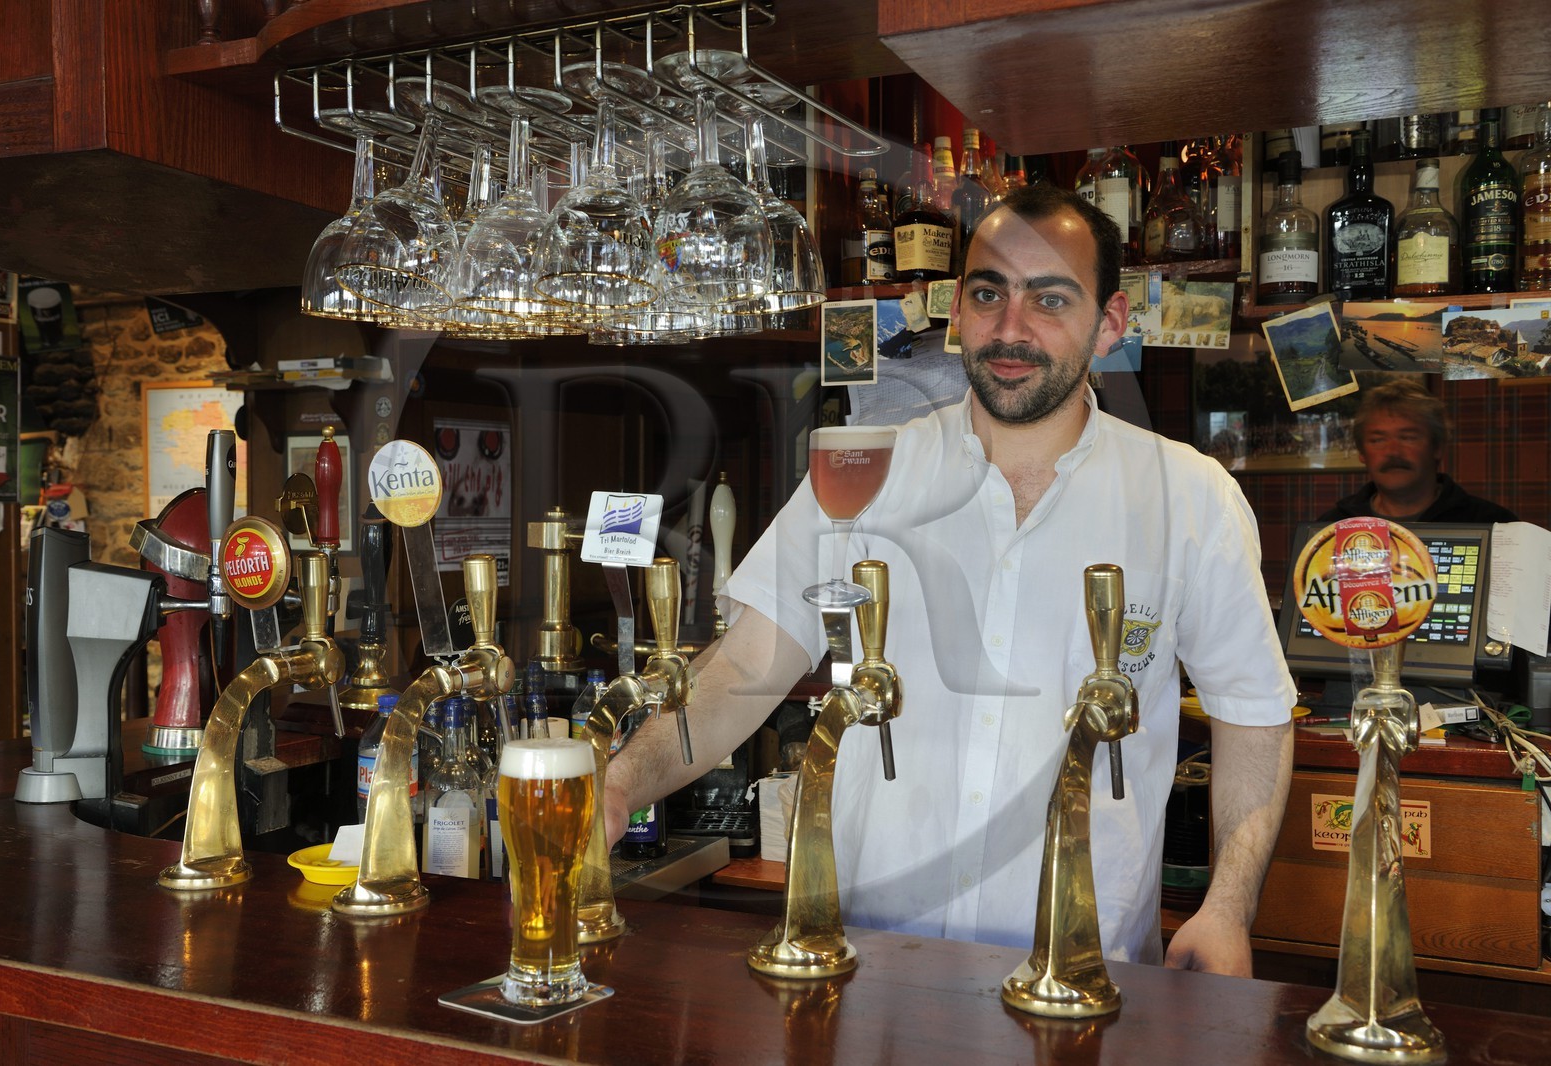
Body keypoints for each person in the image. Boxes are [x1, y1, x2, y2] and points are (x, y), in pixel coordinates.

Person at [604, 184, 1296, 977]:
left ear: (1110, 323)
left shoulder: (1190, 497)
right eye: (988, 293)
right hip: (870, 975)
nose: (1011, 327)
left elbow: (1254, 718)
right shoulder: (864, 471)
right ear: (956, 310)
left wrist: (1226, 907)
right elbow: (743, 671)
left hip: (1089, 981)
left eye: (1050, 298)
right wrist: (623, 781)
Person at [1319, 378, 1516, 523]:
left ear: (1437, 447)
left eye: (1408, 437)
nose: (1393, 451)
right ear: (1362, 453)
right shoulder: (1330, 527)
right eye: (1378, 440)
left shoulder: (1494, 524)